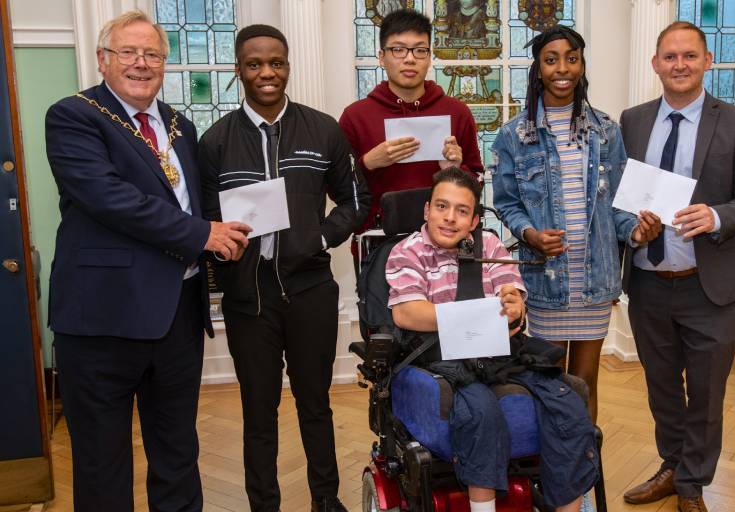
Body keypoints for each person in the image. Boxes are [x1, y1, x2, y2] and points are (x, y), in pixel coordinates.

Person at [44, 10, 250, 511]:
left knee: (178, 449)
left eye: (152, 54)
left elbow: (194, 199)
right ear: (102, 60)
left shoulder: (179, 125)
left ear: (164, 63)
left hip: (177, 311)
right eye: (128, 53)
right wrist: (205, 234)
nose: (141, 64)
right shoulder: (73, 116)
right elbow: (111, 199)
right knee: (101, 458)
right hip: (102, 318)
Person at [199, 25, 370, 512]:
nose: (266, 73)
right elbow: (204, 221)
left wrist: (319, 236)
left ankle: (325, 499)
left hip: (310, 289)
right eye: (254, 64)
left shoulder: (322, 129)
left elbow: (356, 201)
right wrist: (221, 245)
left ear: (288, 65)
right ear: (239, 70)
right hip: (248, 298)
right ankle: (263, 503)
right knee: (258, 410)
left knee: (316, 403)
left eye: (276, 62)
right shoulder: (215, 142)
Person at [385, 167, 598, 512]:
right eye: (442, 206)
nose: (450, 218)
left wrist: (514, 306)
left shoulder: (491, 246)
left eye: (462, 211)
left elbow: (511, 295)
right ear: (427, 210)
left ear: (473, 221)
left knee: (567, 402)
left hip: (500, 354)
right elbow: (407, 313)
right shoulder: (407, 252)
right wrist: (476, 313)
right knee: (479, 412)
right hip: (441, 358)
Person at [619, 21, 735, 512]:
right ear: (656, 63)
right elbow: (621, 199)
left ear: (707, 61)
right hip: (648, 281)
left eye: (689, 56)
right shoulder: (633, 120)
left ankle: (692, 486)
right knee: (662, 386)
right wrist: (632, 228)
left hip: (710, 287)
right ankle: (671, 466)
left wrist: (718, 214)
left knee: (704, 395)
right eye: (669, 56)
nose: (679, 65)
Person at [490, 25, 661, 424]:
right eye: (551, 60)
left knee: (585, 381)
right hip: (547, 282)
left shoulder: (606, 131)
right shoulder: (514, 136)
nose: (562, 68)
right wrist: (530, 234)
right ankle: (551, 473)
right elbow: (506, 204)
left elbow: (621, 206)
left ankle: (582, 475)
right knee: (549, 381)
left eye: (572, 58)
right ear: (538, 69)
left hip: (595, 281)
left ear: (582, 65)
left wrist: (636, 231)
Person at [339, 9, 483, 254]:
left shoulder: (457, 112)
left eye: (419, 50)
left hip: (448, 241)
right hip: (379, 242)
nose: (409, 59)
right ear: (382, 57)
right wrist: (368, 164)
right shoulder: (356, 116)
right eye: (398, 49)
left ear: (429, 57)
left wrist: (456, 169)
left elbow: (477, 185)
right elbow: (340, 192)